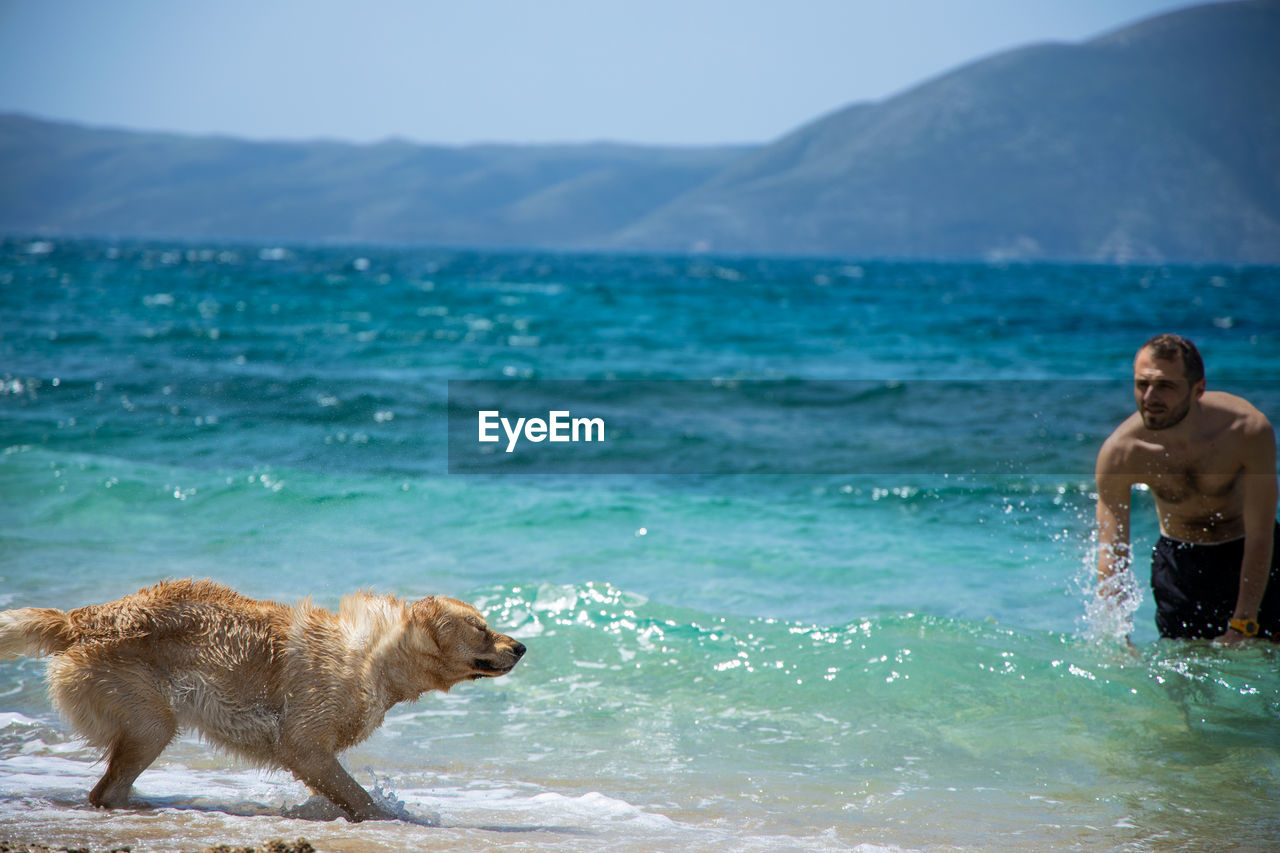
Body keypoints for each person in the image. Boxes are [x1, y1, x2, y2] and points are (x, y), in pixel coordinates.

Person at [1094, 334, 1279, 642]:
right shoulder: (1122, 452)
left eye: (1165, 386)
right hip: (1181, 565)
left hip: (1247, 553)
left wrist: (1243, 622)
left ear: (1198, 390)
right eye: (1142, 384)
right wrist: (1117, 637)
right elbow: (1113, 553)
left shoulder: (1246, 431)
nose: (1150, 397)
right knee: (1182, 680)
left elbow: (1262, 533)